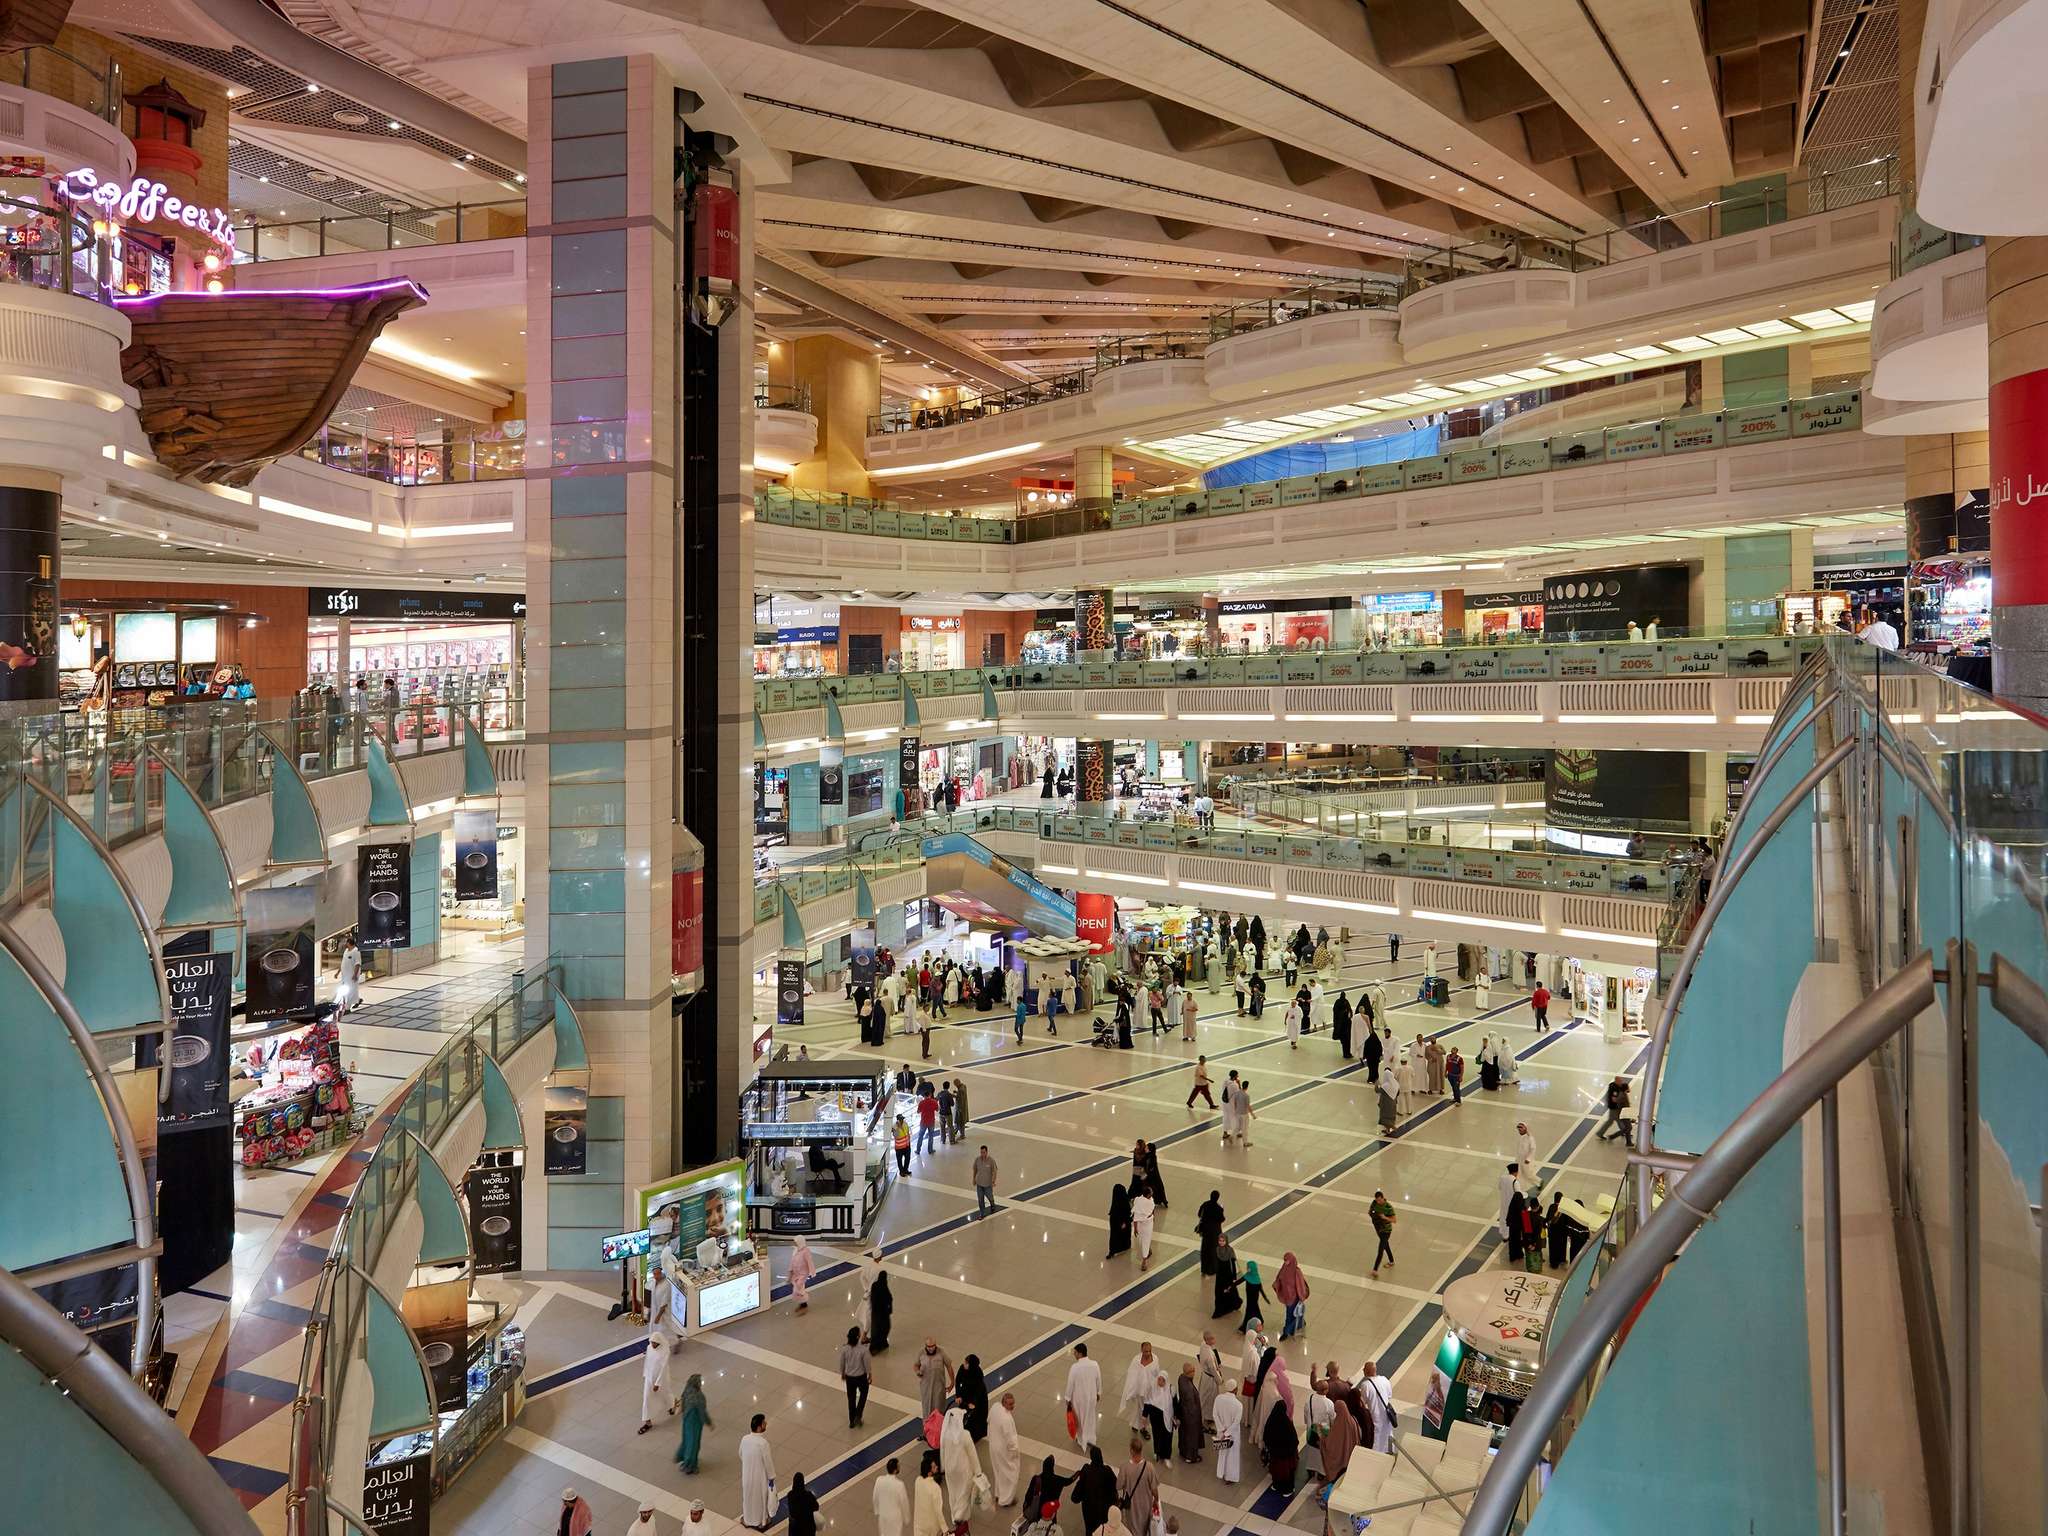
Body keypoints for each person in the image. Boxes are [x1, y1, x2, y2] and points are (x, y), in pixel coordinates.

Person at [939, 1404, 978, 1525]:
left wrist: (943, 1466)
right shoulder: (965, 1435)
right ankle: (961, 1514)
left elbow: (942, 1452)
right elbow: (973, 1455)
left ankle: (954, 1515)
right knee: (964, 1491)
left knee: (953, 1492)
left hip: (950, 1470)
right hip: (963, 1469)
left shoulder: (945, 1435)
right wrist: (978, 1472)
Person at [1314, 1382, 1359, 1485]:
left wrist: (1321, 1434)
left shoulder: (1337, 1425)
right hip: (1350, 1456)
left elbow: (1330, 1444)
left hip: (1339, 1461)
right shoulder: (1352, 1420)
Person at [1117, 1437, 1160, 1536]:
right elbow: (1154, 1489)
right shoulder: (1149, 1467)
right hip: (1146, 1504)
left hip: (1131, 1506)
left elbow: (1118, 1486)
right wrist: (1156, 1501)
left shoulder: (1125, 1467)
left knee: (1132, 1529)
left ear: (1131, 1450)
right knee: (1145, 1528)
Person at [739, 1414, 775, 1529]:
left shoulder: (745, 1439)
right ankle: (761, 1522)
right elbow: (768, 1462)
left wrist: (748, 1464)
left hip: (747, 1475)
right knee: (760, 1499)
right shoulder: (763, 1443)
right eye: (764, 1423)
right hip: (760, 1477)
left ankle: (748, 1519)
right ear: (759, 1427)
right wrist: (771, 1476)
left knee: (748, 1498)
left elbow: (740, 1454)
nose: (766, 1424)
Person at [639, 1329, 678, 1434]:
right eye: (652, 1342)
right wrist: (646, 1374)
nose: (653, 1345)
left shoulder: (665, 1351)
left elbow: (663, 1368)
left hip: (662, 1379)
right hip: (649, 1378)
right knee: (646, 1398)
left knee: (665, 1394)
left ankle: (672, 1404)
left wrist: (657, 1383)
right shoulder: (649, 1348)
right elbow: (648, 1362)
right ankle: (648, 1422)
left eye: (655, 1343)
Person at [1260, 1392, 1300, 1494]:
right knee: (1287, 1473)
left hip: (1275, 1455)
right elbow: (1294, 1440)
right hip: (1286, 1456)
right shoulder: (1287, 1424)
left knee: (1276, 1471)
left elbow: (1266, 1436)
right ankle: (1287, 1490)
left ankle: (1276, 1485)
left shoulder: (1271, 1420)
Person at [1072, 1445, 1117, 1535]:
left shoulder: (1086, 1470)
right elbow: (1115, 1484)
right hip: (1104, 1509)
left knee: (1090, 1530)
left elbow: (1078, 1490)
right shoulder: (1107, 1470)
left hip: (1089, 1509)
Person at [1067, 1343, 1103, 1451]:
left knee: (1079, 1418)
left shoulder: (1075, 1367)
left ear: (1080, 1353)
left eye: (1075, 1352)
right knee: (1090, 1418)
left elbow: (1070, 1384)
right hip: (1091, 1396)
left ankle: (1082, 1439)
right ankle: (1091, 1438)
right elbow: (1098, 1380)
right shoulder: (1095, 1364)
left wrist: (1067, 1398)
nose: (1074, 1354)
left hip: (1079, 1398)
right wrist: (1098, 1392)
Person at [674, 1373, 711, 1474]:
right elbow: (702, 1412)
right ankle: (690, 1465)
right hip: (695, 1424)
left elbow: (681, 1406)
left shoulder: (687, 1390)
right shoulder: (698, 1397)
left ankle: (684, 1459)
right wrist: (709, 1422)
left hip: (687, 1423)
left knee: (687, 1441)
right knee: (694, 1444)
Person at [989, 1391, 1022, 1505]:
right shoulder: (1006, 1419)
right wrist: (1015, 1453)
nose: (1012, 1406)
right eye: (1010, 1404)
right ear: (1004, 1403)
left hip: (993, 1446)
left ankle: (998, 1494)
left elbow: (988, 1420)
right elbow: (1010, 1440)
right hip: (1003, 1450)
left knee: (998, 1471)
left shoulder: (995, 1407)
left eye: (1013, 1404)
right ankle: (1006, 1499)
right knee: (1010, 1473)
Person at [1356, 1362, 1394, 1454]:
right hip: (1386, 1417)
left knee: (1376, 1441)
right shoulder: (1384, 1380)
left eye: (1364, 1368)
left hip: (1375, 1418)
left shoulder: (1365, 1385)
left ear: (1367, 1371)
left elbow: (1363, 1402)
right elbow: (1389, 1395)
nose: (1363, 1370)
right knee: (1388, 1436)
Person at [1174, 1361, 1206, 1463]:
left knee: (1184, 1434)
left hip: (1184, 1413)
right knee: (1192, 1436)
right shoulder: (1188, 1389)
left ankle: (1183, 1451)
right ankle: (1191, 1456)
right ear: (1190, 1372)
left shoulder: (1181, 1378)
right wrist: (1196, 1418)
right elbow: (1191, 1406)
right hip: (1191, 1417)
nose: (1194, 1373)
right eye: (1193, 1371)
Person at [1212, 1379, 1243, 1484]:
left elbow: (1215, 1415)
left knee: (1222, 1453)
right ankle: (1231, 1477)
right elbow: (1236, 1422)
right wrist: (1227, 1433)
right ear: (1235, 1390)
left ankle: (1221, 1473)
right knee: (1232, 1456)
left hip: (1221, 1433)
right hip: (1232, 1434)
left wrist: (1221, 1430)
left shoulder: (1218, 1398)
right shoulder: (1238, 1405)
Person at [840, 1326, 872, 1428]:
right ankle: (858, 1414)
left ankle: (851, 1421)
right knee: (864, 1393)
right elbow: (867, 1363)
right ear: (858, 1337)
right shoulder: (863, 1350)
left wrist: (843, 1373)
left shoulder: (845, 1349)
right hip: (860, 1377)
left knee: (851, 1398)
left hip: (850, 1377)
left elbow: (842, 1362)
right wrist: (869, 1374)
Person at [1275, 1251, 1310, 1339]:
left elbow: (1300, 1285)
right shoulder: (1284, 1268)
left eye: (1287, 1260)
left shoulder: (1297, 1272)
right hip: (1287, 1297)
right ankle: (1300, 1323)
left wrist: (1301, 1297)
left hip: (1295, 1298)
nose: (1285, 1262)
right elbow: (1279, 1278)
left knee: (1290, 1315)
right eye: (1284, 1260)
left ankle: (1286, 1332)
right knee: (1290, 1315)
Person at [915, 1337, 953, 1419]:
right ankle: (927, 1427)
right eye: (929, 1346)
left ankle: (939, 1427)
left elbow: (949, 1366)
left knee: (939, 1407)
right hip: (926, 1387)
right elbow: (916, 1365)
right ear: (925, 1346)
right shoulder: (921, 1353)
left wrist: (952, 1382)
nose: (931, 1348)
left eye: (933, 1346)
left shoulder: (941, 1352)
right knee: (926, 1407)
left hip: (938, 1387)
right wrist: (917, 1371)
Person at [957, 1352, 990, 1440]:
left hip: (978, 1396)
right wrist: (958, 1396)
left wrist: (974, 1402)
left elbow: (978, 1390)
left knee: (977, 1415)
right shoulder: (962, 1368)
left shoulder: (978, 1373)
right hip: (965, 1393)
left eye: (966, 1363)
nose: (964, 1364)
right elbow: (958, 1381)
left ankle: (976, 1433)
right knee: (963, 1411)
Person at [874, 1458, 910, 1536]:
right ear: (895, 1470)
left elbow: (875, 1496)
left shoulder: (879, 1480)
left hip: (883, 1514)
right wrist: (906, 1517)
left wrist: (877, 1510)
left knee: (883, 1534)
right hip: (895, 1517)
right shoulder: (899, 1485)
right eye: (898, 1466)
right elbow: (904, 1502)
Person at [913, 1453, 946, 1536]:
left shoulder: (918, 1480)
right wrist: (945, 1529)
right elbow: (938, 1511)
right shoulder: (935, 1487)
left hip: (920, 1522)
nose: (937, 1467)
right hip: (931, 1525)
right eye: (934, 1467)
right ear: (929, 1473)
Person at [1212, 1232, 1242, 1320]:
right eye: (1219, 1241)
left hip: (1228, 1275)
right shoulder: (1217, 1249)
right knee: (1219, 1292)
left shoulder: (1230, 1250)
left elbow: (1233, 1264)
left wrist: (1234, 1278)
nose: (1221, 1242)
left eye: (1223, 1241)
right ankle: (1219, 1310)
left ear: (1226, 1241)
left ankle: (1234, 1304)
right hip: (1220, 1275)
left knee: (1229, 1291)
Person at [1196, 1330, 1224, 1423]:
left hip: (1205, 1375)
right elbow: (1213, 1370)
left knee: (1204, 1396)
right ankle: (1206, 1417)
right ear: (1207, 1340)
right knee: (1209, 1398)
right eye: (1212, 1339)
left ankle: (1204, 1415)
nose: (1214, 1340)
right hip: (1210, 1379)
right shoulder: (1209, 1356)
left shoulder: (1203, 1345)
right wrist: (1220, 1380)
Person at [1195, 1190, 1224, 1274]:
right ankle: (1212, 1269)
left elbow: (1199, 1214)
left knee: (1205, 1249)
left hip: (1206, 1231)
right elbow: (1222, 1219)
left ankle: (1204, 1269)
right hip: (1215, 1231)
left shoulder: (1205, 1204)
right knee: (1214, 1250)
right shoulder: (1219, 1208)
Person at [786, 1236, 816, 1314]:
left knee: (798, 1288)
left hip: (803, 1273)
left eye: (796, 1242)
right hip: (796, 1273)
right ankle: (803, 1304)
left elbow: (809, 1261)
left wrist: (812, 1272)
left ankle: (804, 1303)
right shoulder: (795, 1250)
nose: (795, 1243)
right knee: (798, 1288)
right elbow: (792, 1262)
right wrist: (790, 1273)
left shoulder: (806, 1251)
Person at [1597, 1074, 1631, 1141]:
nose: (1621, 1082)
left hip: (1615, 1107)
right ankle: (1602, 1134)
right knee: (1613, 1120)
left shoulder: (1614, 1085)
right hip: (1614, 1107)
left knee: (1616, 1120)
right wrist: (1621, 1100)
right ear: (1616, 1081)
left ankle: (1623, 1131)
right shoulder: (1614, 1088)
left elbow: (1626, 1089)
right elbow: (1614, 1099)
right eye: (1620, 1081)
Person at [1369, 1190, 1396, 1274]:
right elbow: (1370, 1212)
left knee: (1381, 1249)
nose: (1379, 1202)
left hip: (1386, 1230)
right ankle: (1391, 1261)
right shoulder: (1374, 1204)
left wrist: (1384, 1217)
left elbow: (1394, 1220)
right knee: (1386, 1245)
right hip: (1378, 1229)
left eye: (1380, 1200)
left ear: (1383, 1197)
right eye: (1377, 1200)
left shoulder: (1388, 1207)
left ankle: (1375, 1269)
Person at [1131, 1183, 1157, 1270]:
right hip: (1145, 1224)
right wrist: (1135, 1228)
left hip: (1145, 1223)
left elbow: (1135, 1216)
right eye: (1151, 1192)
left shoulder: (1138, 1200)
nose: (1152, 1193)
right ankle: (1147, 1251)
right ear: (1148, 1194)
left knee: (1144, 1241)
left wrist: (1135, 1228)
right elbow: (1136, 1217)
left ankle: (1144, 1261)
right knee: (1143, 1240)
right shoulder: (1143, 1202)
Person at [335, 936, 363, 1013]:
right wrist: (338, 972)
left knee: (350, 991)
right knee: (347, 990)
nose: (345, 944)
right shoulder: (346, 951)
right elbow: (343, 963)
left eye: (346, 942)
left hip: (352, 975)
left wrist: (355, 974)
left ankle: (347, 1008)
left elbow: (357, 964)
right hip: (345, 975)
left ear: (349, 943)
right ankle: (358, 1000)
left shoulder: (356, 951)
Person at [787, 1472, 819, 1536]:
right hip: (808, 1526)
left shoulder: (790, 1495)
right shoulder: (809, 1495)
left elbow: (792, 1512)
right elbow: (816, 1507)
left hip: (795, 1529)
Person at [1239, 1259, 1266, 1333]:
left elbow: (1261, 1289)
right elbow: (1239, 1281)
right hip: (1250, 1297)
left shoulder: (1256, 1278)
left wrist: (1265, 1298)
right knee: (1255, 1308)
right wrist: (1230, 1287)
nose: (1247, 1268)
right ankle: (1260, 1319)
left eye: (1248, 1267)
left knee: (1249, 1311)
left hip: (1253, 1298)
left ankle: (1245, 1328)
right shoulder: (1247, 1276)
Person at [1107, 1182, 1133, 1258]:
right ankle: (1125, 1246)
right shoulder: (1125, 1201)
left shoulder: (1115, 1203)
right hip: (1124, 1221)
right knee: (1125, 1234)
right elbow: (1128, 1212)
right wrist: (1125, 1222)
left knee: (1114, 1235)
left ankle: (1113, 1250)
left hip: (1115, 1221)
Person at [972, 1145, 998, 1219]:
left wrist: (993, 1181)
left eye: (983, 1152)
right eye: (981, 1152)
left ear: (987, 1152)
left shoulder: (991, 1161)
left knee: (990, 1197)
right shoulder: (977, 1159)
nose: (982, 1154)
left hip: (987, 1184)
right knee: (980, 1199)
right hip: (979, 1184)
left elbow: (994, 1172)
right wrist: (973, 1179)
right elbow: (975, 1170)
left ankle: (992, 1204)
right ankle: (982, 1213)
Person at [1499, 1164, 1520, 1241]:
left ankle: (1505, 1236)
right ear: (1515, 1172)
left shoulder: (1502, 1178)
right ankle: (1511, 1235)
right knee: (1511, 1220)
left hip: (1504, 1202)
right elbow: (1518, 1194)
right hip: (1512, 1204)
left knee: (1503, 1218)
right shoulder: (1515, 1181)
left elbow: (1500, 1187)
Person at [1234, 1079, 1257, 1147]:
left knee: (1238, 1126)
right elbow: (1248, 1106)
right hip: (1244, 1114)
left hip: (1238, 1112)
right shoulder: (1246, 1096)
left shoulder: (1237, 1093)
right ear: (1247, 1087)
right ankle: (1245, 1142)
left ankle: (1232, 1136)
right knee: (1245, 1128)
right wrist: (1253, 1115)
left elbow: (1235, 1102)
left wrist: (1236, 1110)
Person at [1375, 1069, 1398, 1134]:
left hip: (1386, 1104)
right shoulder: (1395, 1084)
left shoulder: (1386, 1086)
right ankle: (1387, 1130)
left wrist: (1376, 1084)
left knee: (1385, 1117)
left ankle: (1393, 1127)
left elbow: (1377, 1090)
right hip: (1393, 1103)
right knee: (1391, 1116)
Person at [1332, 990, 1353, 1057]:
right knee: (1346, 1042)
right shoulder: (1345, 1002)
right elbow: (1348, 1010)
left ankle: (1347, 1053)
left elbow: (1336, 1011)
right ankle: (1347, 1053)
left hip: (1342, 1026)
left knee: (1345, 1042)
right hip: (1345, 1028)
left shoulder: (1339, 1002)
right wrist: (1346, 1013)